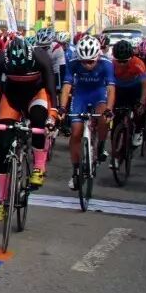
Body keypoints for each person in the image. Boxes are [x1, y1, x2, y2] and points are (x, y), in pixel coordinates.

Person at [0, 36, 57, 218]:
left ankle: (39, 166)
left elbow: (50, 89)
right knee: (3, 146)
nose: (21, 71)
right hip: (12, 97)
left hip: (36, 94)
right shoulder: (0, 59)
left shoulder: (41, 57)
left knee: (39, 119)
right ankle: (1, 200)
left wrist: (52, 116)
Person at [60, 35, 116, 191]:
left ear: (98, 56)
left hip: (99, 94)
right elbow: (67, 86)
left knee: (103, 118)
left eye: (91, 61)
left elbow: (111, 89)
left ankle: (101, 145)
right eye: (84, 62)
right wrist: (62, 107)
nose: (87, 65)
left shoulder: (106, 63)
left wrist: (109, 109)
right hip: (81, 96)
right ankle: (76, 171)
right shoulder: (73, 63)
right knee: (76, 132)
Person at [110, 40, 146, 148]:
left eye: (125, 61)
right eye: (119, 61)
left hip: (135, 88)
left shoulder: (138, 63)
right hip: (119, 88)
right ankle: (115, 145)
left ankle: (138, 131)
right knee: (116, 118)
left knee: (139, 110)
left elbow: (145, 84)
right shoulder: (111, 64)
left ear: (131, 57)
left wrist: (142, 102)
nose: (122, 64)